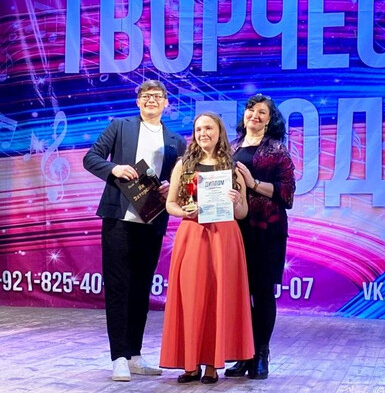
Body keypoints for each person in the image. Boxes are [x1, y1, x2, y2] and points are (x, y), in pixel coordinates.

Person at [83, 80, 186, 382]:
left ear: (166, 103)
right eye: (146, 96)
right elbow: (91, 158)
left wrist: (170, 187)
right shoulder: (120, 127)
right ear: (138, 101)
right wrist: (113, 169)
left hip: (152, 220)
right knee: (118, 287)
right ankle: (118, 357)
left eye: (157, 96)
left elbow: (180, 180)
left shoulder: (176, 141)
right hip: (119, 218)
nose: (151, 100)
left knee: (141, 288)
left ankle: (135, 355)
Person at [159, 112, 254, 384]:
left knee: (218, 298)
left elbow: (243, 213)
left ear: (219, 131)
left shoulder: (232, 167)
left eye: (209, 128)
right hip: (193, 235)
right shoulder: (183, 165)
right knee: (192, 297)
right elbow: (171, 204)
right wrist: (185, 211)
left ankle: (213, 364)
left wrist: (237, 201)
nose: (203, 133)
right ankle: (191, 364)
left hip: (224, 238)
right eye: (199, 129)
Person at [225, 94, 295, 380]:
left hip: (267, 230)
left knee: (262, 292)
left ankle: (261, 354)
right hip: (234, 229)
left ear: (269, 119)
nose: (254, 115)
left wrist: (253, 183)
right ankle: (243, 353)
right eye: (250, 110)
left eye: (262, 112)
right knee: (239, 293)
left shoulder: (278, 150)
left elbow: (287, 194)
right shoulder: (230, 148)